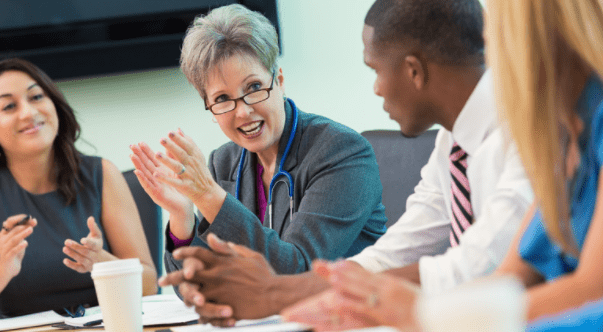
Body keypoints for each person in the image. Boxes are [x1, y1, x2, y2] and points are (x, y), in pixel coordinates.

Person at [158, 0, 533, 326]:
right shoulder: (452, 144)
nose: (375, 88)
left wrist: (278, 292)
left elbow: (478, 264)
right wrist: (183, 219)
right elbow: (395, 252)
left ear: (414, 71)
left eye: (374, 69)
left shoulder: (530, 132)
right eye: (223, 99)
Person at [285, 0, 603, 331]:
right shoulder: (563, 135)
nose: (488, 51)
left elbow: (592, 290)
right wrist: (361, 296)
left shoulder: (568, 128)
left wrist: (426, 315)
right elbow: (510, 275)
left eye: (497, 33)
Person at [129, 3, 387, 278]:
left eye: (253, 87)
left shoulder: (340, 152)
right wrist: (182, 215)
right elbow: (192, 285)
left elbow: (296, 269)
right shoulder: (223, 163)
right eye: (222, 99)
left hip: (349, 316)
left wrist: (207, 195)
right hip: (268, 320)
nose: (243, 111)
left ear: (280, 80)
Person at [0, 58, 157, 317]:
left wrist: (102, 263)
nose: (28, 113)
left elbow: (150, 284)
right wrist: (4, 267)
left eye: (36, 97)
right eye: (9, 106)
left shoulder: (102, 174)